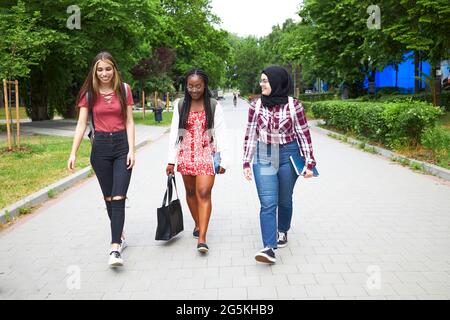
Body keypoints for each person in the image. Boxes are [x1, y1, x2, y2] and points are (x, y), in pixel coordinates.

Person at [242, 65, 317, 264]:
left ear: (277, 82)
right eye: (261, 80)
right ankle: (268, 247)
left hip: (288, 154)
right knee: (268, 202)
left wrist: (309, 163)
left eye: (265, 80)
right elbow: (250, 134)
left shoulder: (294, 106)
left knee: (284, 199)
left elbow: (303, 134)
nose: (261, 84)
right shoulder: (256, 105)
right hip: (264, 154)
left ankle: (282, 230)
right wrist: (246, 162)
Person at [68, 52, 135, 267]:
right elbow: (81, 124)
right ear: (95, 71)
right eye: (100, 69)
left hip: (122, 146)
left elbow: (130, 122)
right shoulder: (88, 94)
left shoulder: (124, 90)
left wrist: (132, 150)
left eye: (108, 69)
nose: (104, 73)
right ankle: (120, 234)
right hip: (100, 149)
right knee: (108, 198)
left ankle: (115, 247)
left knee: (119, 197)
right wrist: (73, 152)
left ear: (114, 69)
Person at [166, 69, 229, 253]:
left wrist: (224, 159)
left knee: (203, 193)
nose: (194, 90)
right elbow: (175, 135)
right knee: (191, 192)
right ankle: (197, 222)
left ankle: (202, 238)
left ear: (205, 85)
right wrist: (171, 160)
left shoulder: (213, 105)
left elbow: (220, 132)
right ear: (186, 86)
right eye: (190, 86)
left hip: (206, 154)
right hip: (185, 154)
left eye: (198, 86)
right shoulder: (180, 105)